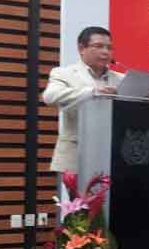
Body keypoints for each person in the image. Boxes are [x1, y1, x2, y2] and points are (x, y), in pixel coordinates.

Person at [42, 26, 124, 174]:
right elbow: (50, 96)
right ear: (81, 48)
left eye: (109, 47)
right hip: (76, 154)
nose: (105, 52)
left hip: (113, 154)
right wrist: (92, 92)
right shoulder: (64, 73)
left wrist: (146, 99)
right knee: (78, 191)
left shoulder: (121, 79)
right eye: (99, 46)